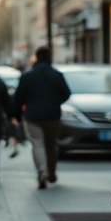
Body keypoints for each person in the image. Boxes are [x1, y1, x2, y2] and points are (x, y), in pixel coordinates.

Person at [13, 46, 71, 189]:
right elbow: (67, 93)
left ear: (37, 58)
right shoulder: (57, 75)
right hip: (52, 115)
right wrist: (55, 102)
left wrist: (15, 116)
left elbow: (18, 98)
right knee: (51, 145)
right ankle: (51, 173)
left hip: (33, 116)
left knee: (37, 143)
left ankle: (42, 171)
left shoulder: (27, 76)